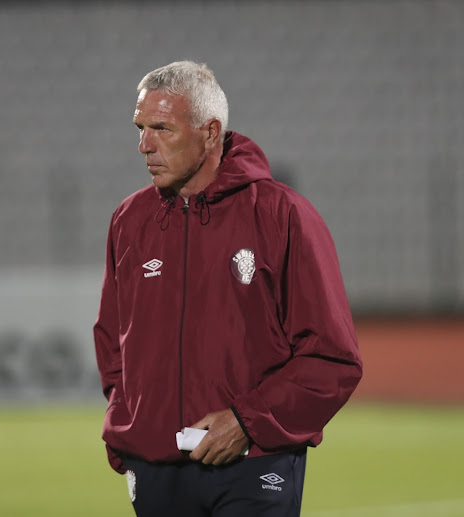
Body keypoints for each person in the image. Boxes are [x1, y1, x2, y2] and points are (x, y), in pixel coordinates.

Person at [94, 60, 362, 517]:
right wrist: (131, 426)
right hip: (156, 468)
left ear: (210, 132)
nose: (144, 145)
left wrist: (246, 423)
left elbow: (331, 358)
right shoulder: (129, 221)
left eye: (161, 128)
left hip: (252, 463)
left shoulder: (283, 216)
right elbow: (113, 345)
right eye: (140, 128)